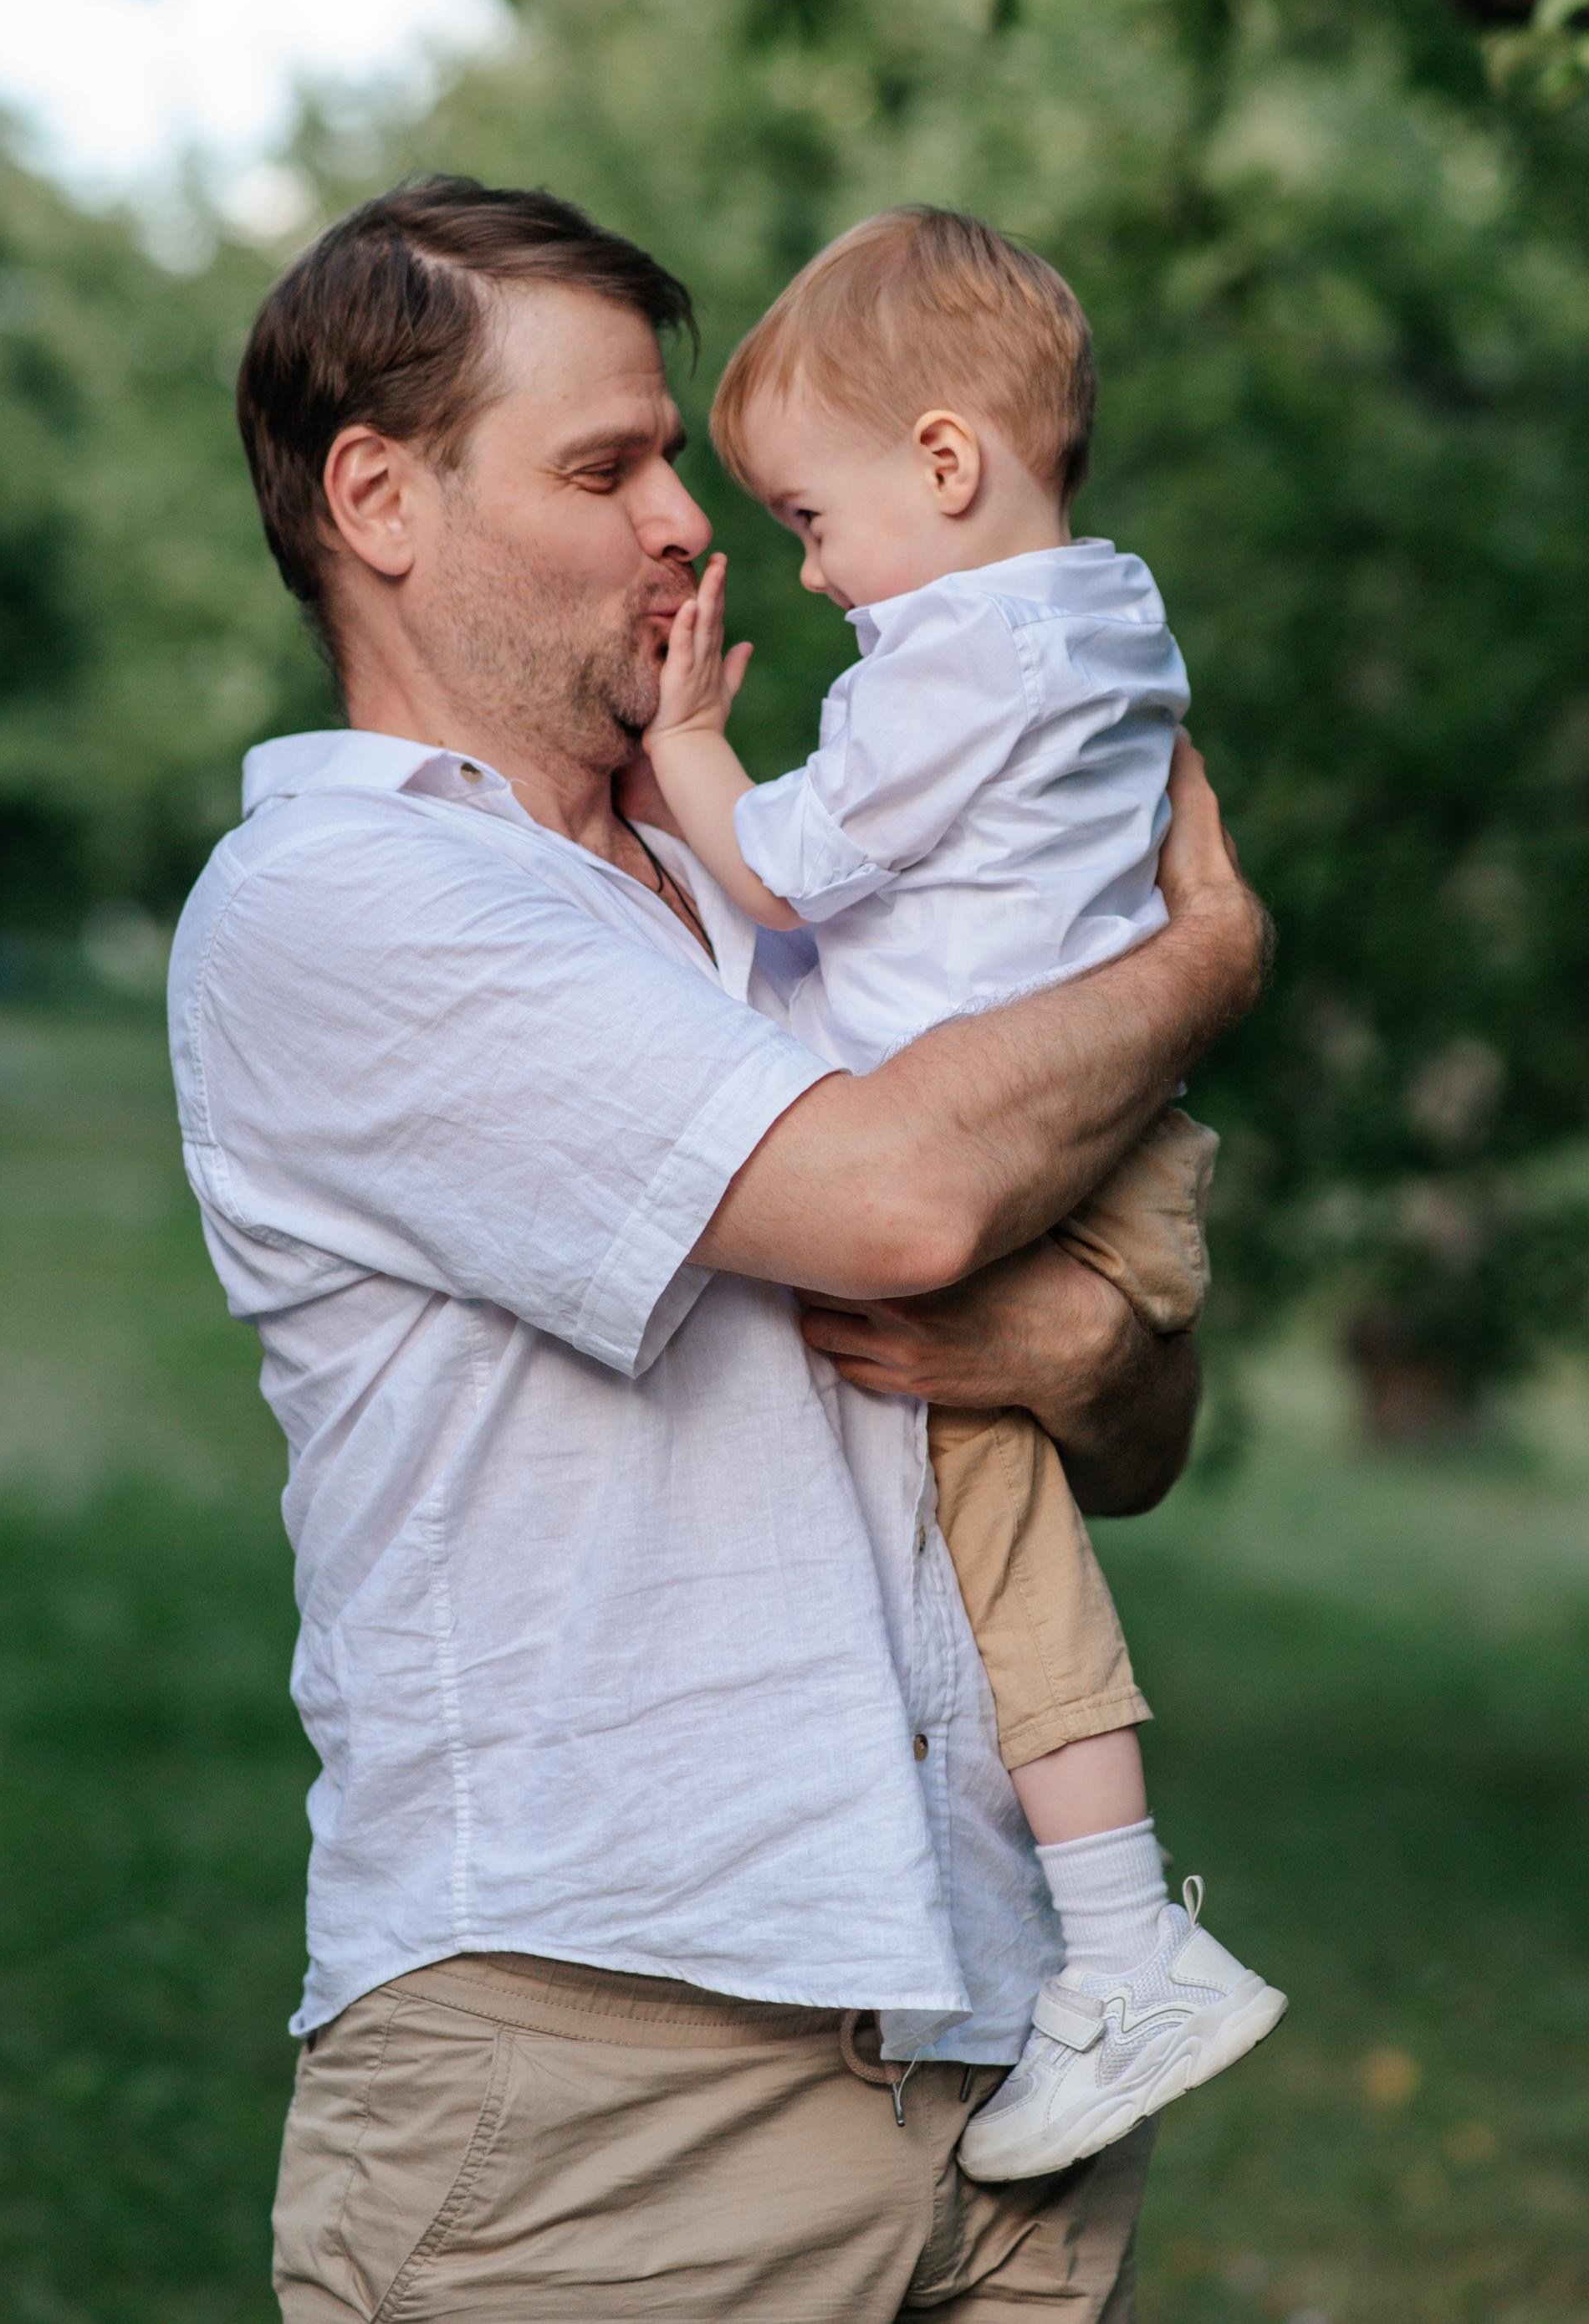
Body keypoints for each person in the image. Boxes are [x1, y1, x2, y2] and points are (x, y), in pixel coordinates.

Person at [168, 175, 1270, 2322]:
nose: (693, 522)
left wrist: (1068, 1337)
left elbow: (1127, 1417)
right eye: (608, 465)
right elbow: (901, 1205)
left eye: (679, 454)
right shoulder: (347, 900)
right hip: (615, 2095)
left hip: (997, 2066)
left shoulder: (777, 904)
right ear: (378, 500)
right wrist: (1208, 956)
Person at [644, 204, 1287, 2183]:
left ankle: (1123, 1950)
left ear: (944, 461)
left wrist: (683, 750)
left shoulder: (954, 657)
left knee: (1000, 1549)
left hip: (1006, 1162)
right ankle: (1104, 1945)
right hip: (1112, 1140)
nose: (807, 567)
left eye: (811, 517)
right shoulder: (1109, 617)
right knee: (1001, 1531)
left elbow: (789, 868)